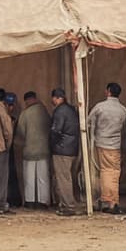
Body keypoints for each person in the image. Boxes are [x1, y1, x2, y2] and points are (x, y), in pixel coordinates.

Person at [86, 83, 126, 214]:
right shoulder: (123, 110)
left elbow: (87, 122)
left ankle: (105, 200)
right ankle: (112, 202)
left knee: (104, 172)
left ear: (108, 91)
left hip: (99, 143)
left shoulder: (99, 107)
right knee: (112, 172)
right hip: (114, 145)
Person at [14, 91, 51, 210]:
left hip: (29, 150)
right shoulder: (44, 111)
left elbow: (21, 132)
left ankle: (30, 201)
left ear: (27, 100)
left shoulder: (25, 114)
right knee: (43, 177)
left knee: (29, 177)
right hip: (44, 149)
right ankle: (43, 201)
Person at [48, 88, 81, 216]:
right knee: (68, 177)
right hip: (72, 148)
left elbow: (56, 130)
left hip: (62, 149)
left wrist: (52, 144)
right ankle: (66, 203)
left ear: (57, 98)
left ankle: (68, 206)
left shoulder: (60, 111)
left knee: (63, 179)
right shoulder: (71, 109)